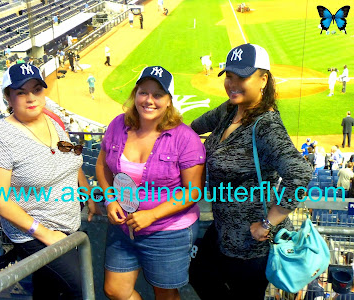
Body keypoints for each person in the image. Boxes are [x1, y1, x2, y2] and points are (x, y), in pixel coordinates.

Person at [189, 44, 312, 299]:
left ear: (263, 79)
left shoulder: (266, 126)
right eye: (229, 76)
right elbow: (192, 128)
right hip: (223, 229)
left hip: (250, 246)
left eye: (242, 77)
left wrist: (269, 222)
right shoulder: (230, 109)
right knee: (199, 274)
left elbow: (300, 174)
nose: (232, 84)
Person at [0, 63, 101, 299]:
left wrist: (87, 195)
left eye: (36, 89)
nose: (31, 98)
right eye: (21, 92)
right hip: (34, 235)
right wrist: (45, 234)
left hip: (66, 225)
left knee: (48, 291)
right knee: (81, 289)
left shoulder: (52, 121)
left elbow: (72, 160)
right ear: (8, 97)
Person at [97, 66, 205, 300]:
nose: (149, 100)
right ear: (135, 95)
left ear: (169, 101)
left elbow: (193, 192)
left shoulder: (185, 138)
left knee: (165, 295)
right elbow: (102, 166)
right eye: (143, 92)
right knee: (115, 290)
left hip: (168, 231)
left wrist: (152, 214)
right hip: (124, 227)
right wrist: (110, 199)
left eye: (158, 95)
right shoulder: (118, 124)